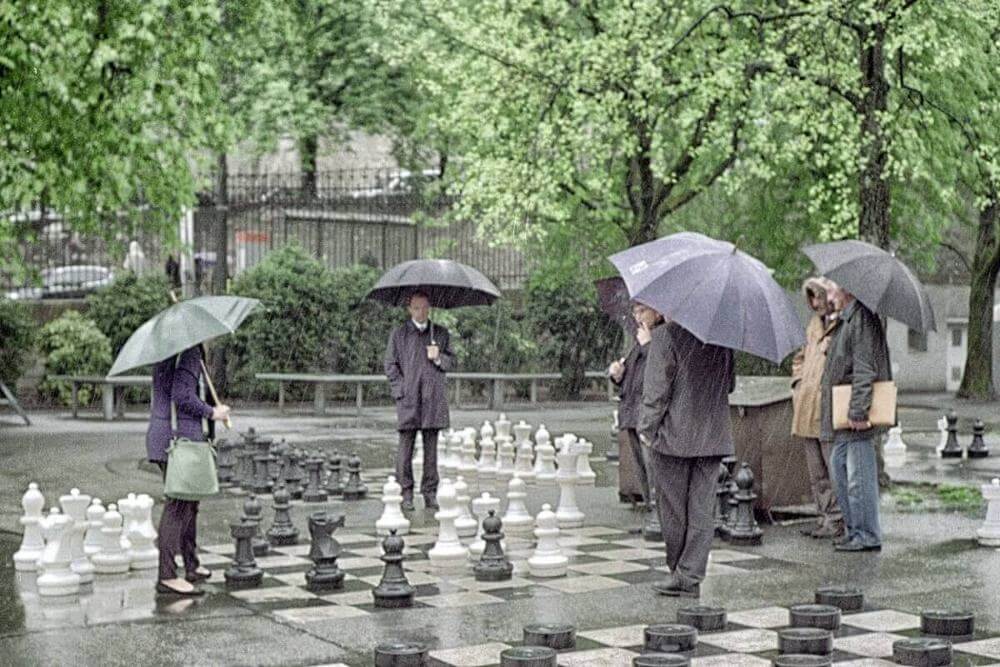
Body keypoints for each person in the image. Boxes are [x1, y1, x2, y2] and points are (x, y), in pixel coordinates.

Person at [640, 319, 735, 597]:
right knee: (702, 509)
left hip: (675, 436)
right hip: (713, 435)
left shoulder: (665, 336)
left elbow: (657, 390)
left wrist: (647, 428)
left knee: (672, 509)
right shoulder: (722, 337)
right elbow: (729, 384)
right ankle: (691, 574)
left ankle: (678, 572)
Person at [146, 344, 230, 595]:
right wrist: (213, 412)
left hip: (165, 437)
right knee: (178, 505)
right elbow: (182, 396)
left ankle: (191, 564)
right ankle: (168, 575)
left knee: (188, 503)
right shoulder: (190, 351)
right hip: (179, 441)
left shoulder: (169, 349)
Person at [820, 284, 892, 552]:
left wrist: (859, 410)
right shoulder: (848, 319)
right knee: (840, 469)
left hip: (855, 414)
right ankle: (855, 530)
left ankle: (867, 534)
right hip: (845, 412)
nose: (828, 298)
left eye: (832, 292)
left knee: (858, 477)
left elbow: (864, 368)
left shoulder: (861, 319)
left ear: (848, 291)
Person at [384, 291, 454, 512]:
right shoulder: (399, 334)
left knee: (431, 450)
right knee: (405, 448)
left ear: (429, 308)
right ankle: (405, 493)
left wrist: (439, 358)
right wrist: (400, 389)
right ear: (409, 309)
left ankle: (430, 492)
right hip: (409, 398)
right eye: (416, 308)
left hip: (432, 398)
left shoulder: (440, 334)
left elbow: (452, 362)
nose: (421, 312)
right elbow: (390, 365)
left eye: (424, 308)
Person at [791, 278, 844, 539]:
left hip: (828, 408)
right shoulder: (812, 326)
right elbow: (799, 358)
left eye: (819, 297)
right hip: (806, 406)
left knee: (832, 468)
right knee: (816, 472)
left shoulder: (840, 327)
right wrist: (798, 382)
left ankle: (837, 519)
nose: (815, 303)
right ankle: (825, 517)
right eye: (811, 298)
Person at [609, 303, 663, 510]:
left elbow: (662, 373)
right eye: (635, 312)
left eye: (642, 311)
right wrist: (618, 375)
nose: (637, 316)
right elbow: (632, 377)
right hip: (631, 411)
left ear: (656, 312)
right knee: (640, 465)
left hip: (648, 412)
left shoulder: (660, 338)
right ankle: (650, 508)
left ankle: (659, 511)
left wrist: (649, 346)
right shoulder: (636, 341)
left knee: (653, 465)